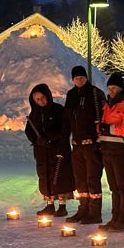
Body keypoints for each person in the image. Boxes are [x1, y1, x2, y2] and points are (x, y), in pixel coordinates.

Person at [64, 65, 107, 225]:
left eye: (82, 78)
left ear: (86, 78)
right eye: (76, 78)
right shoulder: (71, 94)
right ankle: (83, 209)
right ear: (73, 79)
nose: (79, 80)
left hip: (92, 145)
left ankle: (95, 212)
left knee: (92, 178)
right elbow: (67, 118)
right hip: (77, 145)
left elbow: (103, 117)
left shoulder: (95, 94)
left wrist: (98, 140)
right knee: (80, 179)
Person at [25, 83, 75, 216]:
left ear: (48, 95)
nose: (41, 101)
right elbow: (29, 131)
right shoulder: (34, 114)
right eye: (37, 99)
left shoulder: (58, 110)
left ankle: (62, 206)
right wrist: (36, 141)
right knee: (45, 176)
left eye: (42, 97)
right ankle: (50, 204)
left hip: (58, 149)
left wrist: (49, 137)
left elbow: (65, 129)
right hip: (42, 151)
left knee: (60, 176)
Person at [97, 72, 124, 232]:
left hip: (121, 148)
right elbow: (101, 124)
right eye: (110, 88)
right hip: (106, 148)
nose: (111, 90)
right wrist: (101, 129)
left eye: (114, 87)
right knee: (113, 186)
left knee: (122, 185)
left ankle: (123, 219)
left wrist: (108, 129)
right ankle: (115, 218)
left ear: (121, 88)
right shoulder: (107, 104)